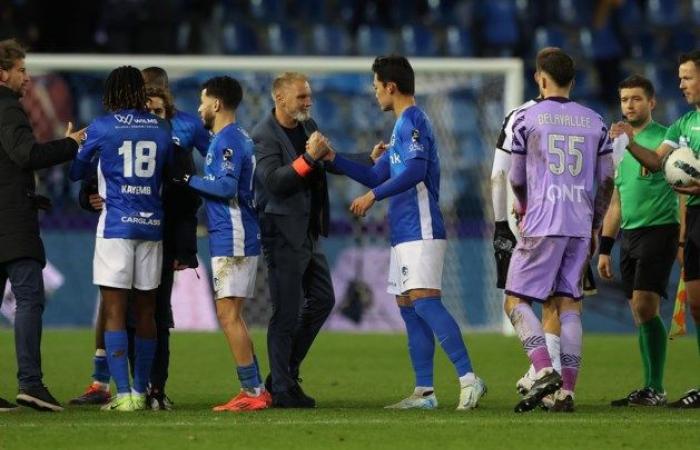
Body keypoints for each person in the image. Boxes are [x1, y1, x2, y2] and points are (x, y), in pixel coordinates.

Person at [316, 55, 486, 410]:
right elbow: (377, 174)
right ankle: (425, 392)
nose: (374, 93)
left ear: (390, 87)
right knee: (409, 307)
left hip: (421, 227)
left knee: (425, 301)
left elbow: (415, 172)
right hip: (404, 231)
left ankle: (470, 379)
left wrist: (372, 197)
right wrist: (331, 158)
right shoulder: (399, 130)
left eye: (376, 86)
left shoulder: (413, 121)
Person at [70, 84, 200, 410]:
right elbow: (177, 178)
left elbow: (76, 171)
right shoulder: (162, 129)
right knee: (148, 311)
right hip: (152, 228)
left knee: (114, 311)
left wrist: (75, 147)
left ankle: (125, 394)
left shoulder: (103, 126)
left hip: (116, 227)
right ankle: (144, 391)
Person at [253, 72, 374, 408]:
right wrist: (308, 159)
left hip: (306, 231)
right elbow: (275, 183)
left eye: (308, 97)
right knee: (286, 313)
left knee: (322, 299)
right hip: (281, 233)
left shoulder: (308, 125)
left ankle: (284, 375)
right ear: (279, 98)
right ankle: (281, 387)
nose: (308, 103)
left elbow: (328, 160)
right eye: (301, 98)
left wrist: (369, 158)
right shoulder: (263, 136)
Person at [504, 47, 614, 413]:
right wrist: (596, 223)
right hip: (580, 225)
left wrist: (523, 207)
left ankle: (542, 369)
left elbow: (516, 177)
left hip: (542, 220)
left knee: (516, 299)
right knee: (569, 305)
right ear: (573, 81)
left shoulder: (527, 119)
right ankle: (566, 392)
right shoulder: (596, 121)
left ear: (540, 78)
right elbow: (608, 181)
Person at [611, 50, 700, 409]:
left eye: (687, 77)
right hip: (694, 218)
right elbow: (658, 161)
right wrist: (631, 143)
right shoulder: (682, 125)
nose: (681, 84)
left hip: (671, 224)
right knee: (696, 305)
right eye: (679, 77)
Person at [0, 38, 85, 412]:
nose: (27, 78)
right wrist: (69, 145)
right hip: (11, 222)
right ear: (2, 73)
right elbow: (26, 155)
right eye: (20, 70)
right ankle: (31, 383)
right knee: (30, 297)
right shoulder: (8, 109)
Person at [176, 75, 271, 411]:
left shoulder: (227, 141)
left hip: (234, 235)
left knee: (228, 315)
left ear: (216, 104)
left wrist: (187, 179)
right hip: (232, 234)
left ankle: (253, 392)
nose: (200, 108)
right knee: (233, 315)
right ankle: (256, 388)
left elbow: (227, 188)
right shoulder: (232, 137)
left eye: (203, 101)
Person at [598, 75, 680, 407]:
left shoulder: (667, 138)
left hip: (661, 228)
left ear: (651, 102)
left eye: (636, 99)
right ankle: (649, 386)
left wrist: (630, 140)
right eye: (624, 100)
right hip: (629, 234)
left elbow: (659, 165)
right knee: (638, 311)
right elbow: (616, 201)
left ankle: (656, 387)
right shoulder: (618, 146)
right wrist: (605, 247)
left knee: (646, 304)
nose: (629, 106)